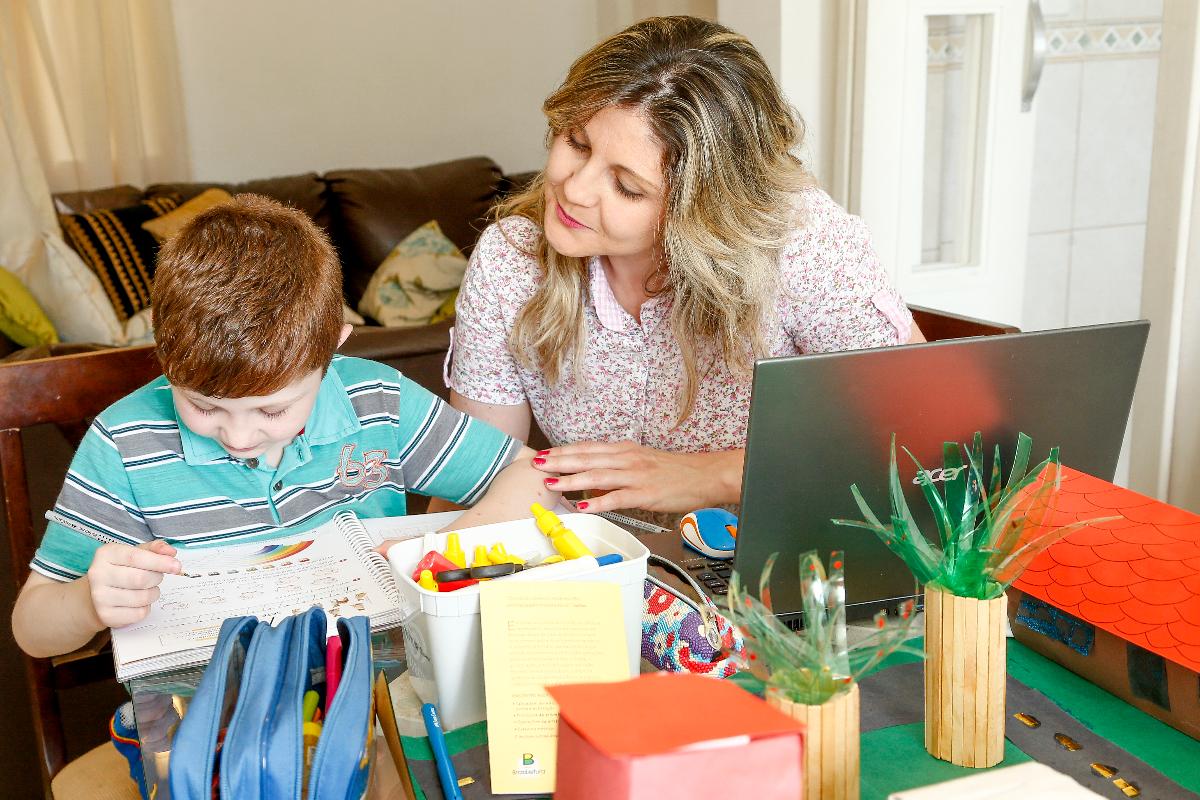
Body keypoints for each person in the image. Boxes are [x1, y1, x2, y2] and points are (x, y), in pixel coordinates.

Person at [11, 194, 557, 659]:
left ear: (333, 347)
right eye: (204, 406)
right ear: (160, 341)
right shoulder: (124, 443)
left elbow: (534, 476)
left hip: (381, 677)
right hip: (216, 701)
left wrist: (443, 543)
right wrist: (87, 603)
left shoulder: (377, 401)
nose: (239, 438)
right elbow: (31, 628)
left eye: (272, 411)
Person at [445, 16, 924, 516]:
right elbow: (480, 481)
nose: (574, 189)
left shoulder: (803, 244)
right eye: (577, 143)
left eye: (627, 187)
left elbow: (917, 433)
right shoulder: (510, 258)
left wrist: (711, 476)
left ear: (706, 209)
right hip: (605, 556)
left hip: (780, 555)